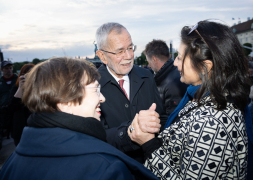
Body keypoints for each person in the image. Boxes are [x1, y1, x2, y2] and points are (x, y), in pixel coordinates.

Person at [128, 20, 253, 179]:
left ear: (205, 67)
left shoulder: (212, 123)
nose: (175, 62)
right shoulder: (208, 97)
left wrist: (148, 144)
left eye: (180, 57)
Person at [0, 57, 158, 180]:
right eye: (96, 89)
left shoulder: (11, 164)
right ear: (64, 100)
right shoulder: (104, 168)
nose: (102, 98)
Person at [95, 22, 167, 163]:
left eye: (130, 48)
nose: (128, 56)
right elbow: (95, 136)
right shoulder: (92, 86)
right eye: (120, 51)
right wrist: (130, 131)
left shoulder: (147, 76)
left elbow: (162, 117)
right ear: (102, 56)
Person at [144, 39, 188, 116]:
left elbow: (173, 119)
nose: (149, 66)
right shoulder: (174, 74)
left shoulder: (172, 84)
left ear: (154, 59)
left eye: (149, 62)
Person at [0, 60, 18, 148]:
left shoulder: (18, 79)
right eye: (6, 68)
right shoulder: (0, 82)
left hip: (16, 109)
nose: (9, 70)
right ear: (1, 69)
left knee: (17, 132)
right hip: (3, 110)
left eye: (10, 68)